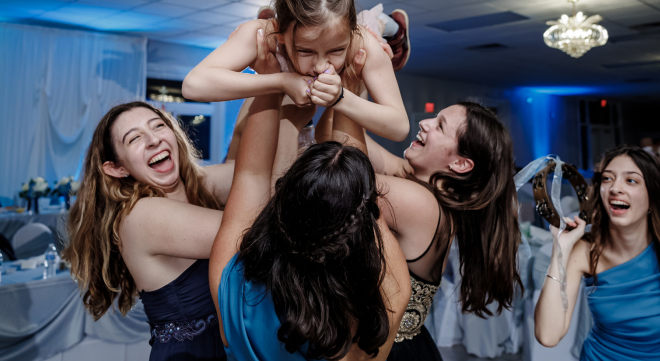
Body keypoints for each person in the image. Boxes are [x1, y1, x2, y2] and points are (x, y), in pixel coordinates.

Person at [208, 61, 411, 359]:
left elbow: (250, 174)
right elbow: (366, 210)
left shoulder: (236, 286)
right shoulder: (384, 302)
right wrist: (348, 92)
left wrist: (268, 74)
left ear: (283, 201)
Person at [318, 99, 524, 360]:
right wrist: (353, 81)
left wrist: (347, 90)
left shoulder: (421, 204)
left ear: (460, 164)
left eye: (440, 126)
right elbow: (328, 136)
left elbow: (344, 175)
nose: (424, 123)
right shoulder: (422, 190)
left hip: (385, 352)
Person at [62, 100, 237, 361]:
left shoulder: (195, 186)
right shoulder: (140, 215)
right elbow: (249, 231)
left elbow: (266, 172)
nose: (153, 139)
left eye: (158, 126)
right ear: (117, 168)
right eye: (134, 138)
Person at [182, 0, 410, 144]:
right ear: (280, 33)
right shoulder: (264, 35)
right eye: (306, 51)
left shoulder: (360, 42)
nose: (321, 66)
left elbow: (399, 127)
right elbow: (193, 85)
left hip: (362, 35)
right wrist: (281, 81)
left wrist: (341, 98)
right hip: (281, 37)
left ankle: (394, 28)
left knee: (372, 25)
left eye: (335, 51)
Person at [534, 146, 660, 360]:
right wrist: (561, 248)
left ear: (653, 197)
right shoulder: (585, 251)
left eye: (631, 180)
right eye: (607, 179)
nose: (614, 188)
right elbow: (548, 336)